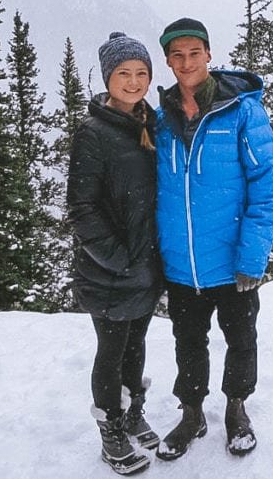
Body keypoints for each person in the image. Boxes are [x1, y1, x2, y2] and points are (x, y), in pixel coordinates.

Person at [153, 17, 273, 461]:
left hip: (233, 262)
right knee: (187, 343)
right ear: (169, 62)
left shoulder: (242, 111)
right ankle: (192, 414)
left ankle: (236, 408)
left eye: (194, 52)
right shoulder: (162, 119)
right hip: (181, 263)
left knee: (241, 338)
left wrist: (253, 256)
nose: (186, 62)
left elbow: (268, 187)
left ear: (208, 54)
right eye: (177, 55)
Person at [68, 32, 163, 476]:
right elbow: (82, 208)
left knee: (136, 343)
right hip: (111, 268)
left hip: (146, 264)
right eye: (124, 73)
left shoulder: (150, 124)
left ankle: (131, 411)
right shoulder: (93, 133)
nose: (133, 81)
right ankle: (110, 431)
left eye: (141, 73)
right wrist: (118, 257)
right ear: (108, 78)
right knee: (112, 349)